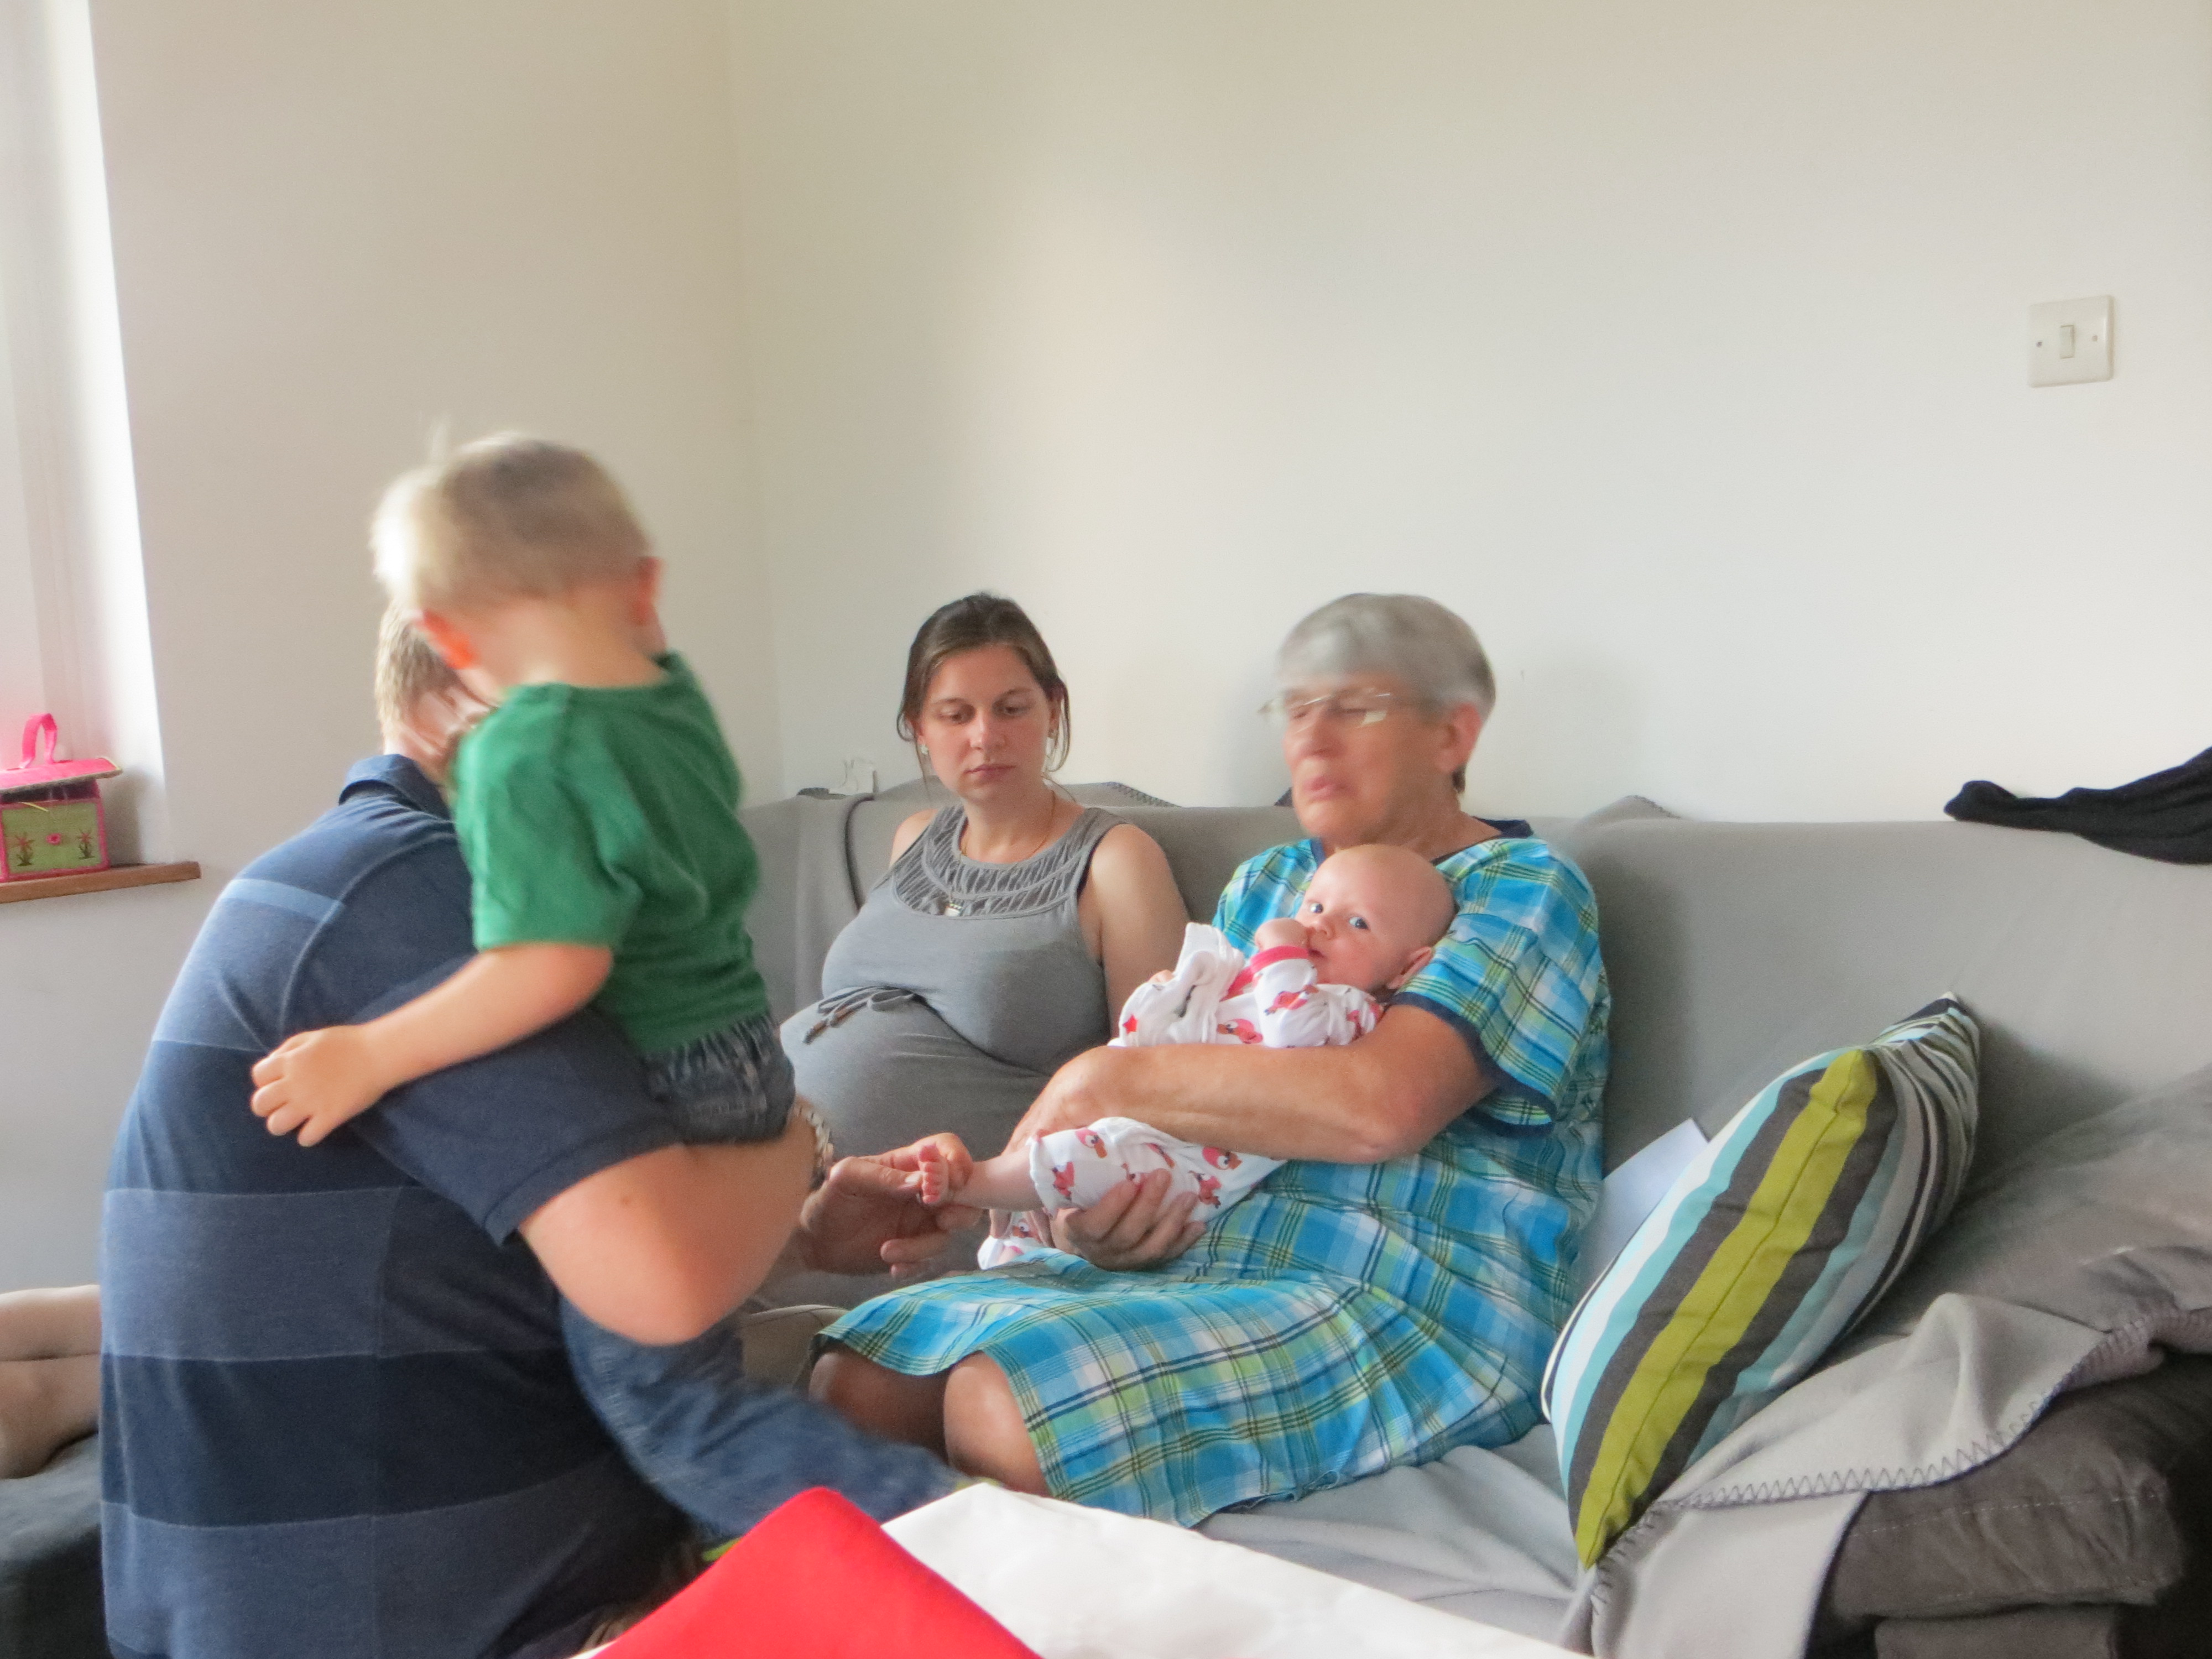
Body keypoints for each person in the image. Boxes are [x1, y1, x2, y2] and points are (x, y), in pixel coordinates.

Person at [100, 608, 969, 1659]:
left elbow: (553, 1244)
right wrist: (792, 1144)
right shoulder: (435, 899)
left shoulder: (365, 877)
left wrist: (800, 1229)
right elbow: (659, 1311)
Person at [811, 593, 1611, 1530]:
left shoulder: (1522, 888)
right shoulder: (1266, 886)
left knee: (1006, 1405)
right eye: (1296, 708)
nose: (1312, 739)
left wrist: (1099, 1080)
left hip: (1413, 1293)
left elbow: (1382, 1105)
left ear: (1452, 733)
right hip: (1211, 1266)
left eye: (1355, 708)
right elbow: (1191, 1100)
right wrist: (1095, 1228)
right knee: (858, 1379)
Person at [250, 434, 800, 1164]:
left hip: (661, 1067)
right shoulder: (674, 697)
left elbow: (552, 967)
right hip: (749, 1042)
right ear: (645, 586)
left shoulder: (517, 754)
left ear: (442, 635)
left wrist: (370, 1055)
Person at [780, 593, 1188, 1260]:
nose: (985, 737)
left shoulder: (1115, 862)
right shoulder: (913, 838)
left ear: (1052, 708)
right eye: (955, 714)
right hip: (792, 1202)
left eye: (1011, 708)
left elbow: (1158, 1086)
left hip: (937, 1231)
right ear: (918, 727)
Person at [906, 843, 1458, 1266]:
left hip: (1198, 1164)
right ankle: (1009, 1252)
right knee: (1071, 1160)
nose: (1321, 926)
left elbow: (1294, 1041)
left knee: (1086, 1156)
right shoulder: (1265, 971)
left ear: (1406, 968)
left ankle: (974, 1185)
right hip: (1163, 1126)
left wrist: (1281, 953)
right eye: (1315, 906)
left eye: (1358, 923)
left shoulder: (1350, 1010)